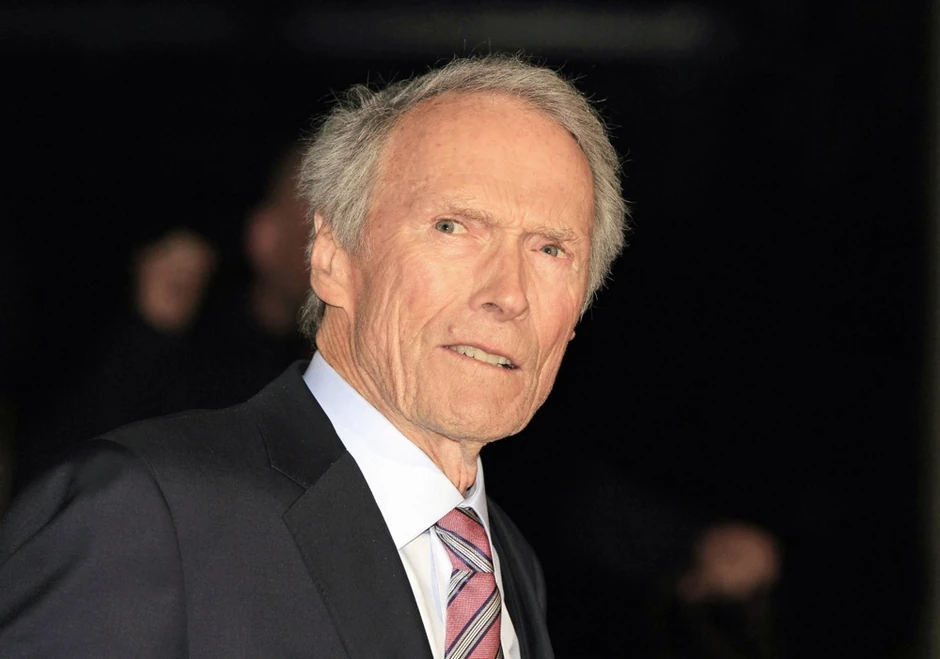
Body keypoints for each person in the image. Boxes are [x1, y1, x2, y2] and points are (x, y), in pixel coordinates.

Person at [0, 56, 627, 658]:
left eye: (551, 250)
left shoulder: (511, 565)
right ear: (331, 258)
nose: (509, 293)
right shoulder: (144, 512)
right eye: (452, 227)